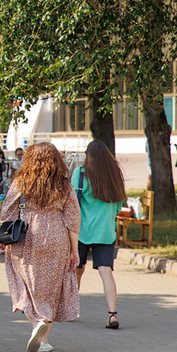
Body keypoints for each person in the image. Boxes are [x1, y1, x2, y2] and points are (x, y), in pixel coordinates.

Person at [0, 142, 80, 352]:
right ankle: (43, 339)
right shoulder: (64, 185)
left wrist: (2, 239)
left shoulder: (22, 181)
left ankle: (36, 325)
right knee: (51, 287)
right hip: (56, 234)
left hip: (27, 235)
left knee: (22, 282)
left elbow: (8, 210)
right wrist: (74, 250)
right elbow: (72, 218)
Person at [72, 140, 126, 330]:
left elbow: (72, 202)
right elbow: (119, 206)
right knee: (106, 271)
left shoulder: (80, 173)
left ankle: (71, 308)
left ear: (88, 155)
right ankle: (112, 314)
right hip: (105, 232)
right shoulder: (115, 175)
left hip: (81, 231)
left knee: (77, 269)